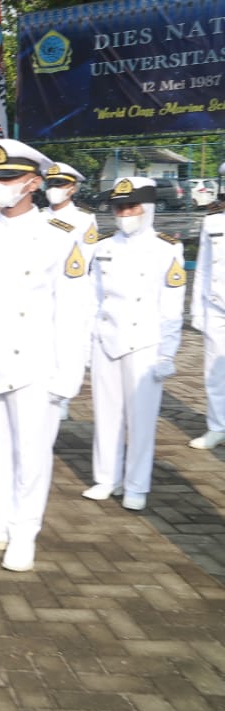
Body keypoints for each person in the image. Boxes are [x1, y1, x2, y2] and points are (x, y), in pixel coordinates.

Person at [0, 138, 92, 572]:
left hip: (35, 364)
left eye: (9, 177)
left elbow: (76, 311)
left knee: (31, 455)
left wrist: (68, 378)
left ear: (33, 182)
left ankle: (24, 532)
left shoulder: (59, 237)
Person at [84, 177, 185, 511]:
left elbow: (171, 307)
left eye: (132, 206)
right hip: (107, 339)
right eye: (119, 207)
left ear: (149, 207)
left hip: (145, 343)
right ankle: (106, 478)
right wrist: (89, 341)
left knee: (141, 419)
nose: (125, 212)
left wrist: (166, 354)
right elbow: (93, 298)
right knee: (106, 414)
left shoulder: (167, 248)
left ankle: (137, 484)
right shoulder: (103, 247)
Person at [43, 161, 100, 420]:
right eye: (50, 183)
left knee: (67, 342)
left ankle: (63, 395)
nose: (53, 188)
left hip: (69, 289)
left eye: (60, 184)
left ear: (73, 188)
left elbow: (83, 260)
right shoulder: (37, 216)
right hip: (40, 290)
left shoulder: (84, 219)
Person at [189, 168, 225, 450]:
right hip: (215, 306)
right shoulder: (213, 220)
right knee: (213, 372)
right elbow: (201, 267)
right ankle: (217, 427)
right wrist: (197, 310)